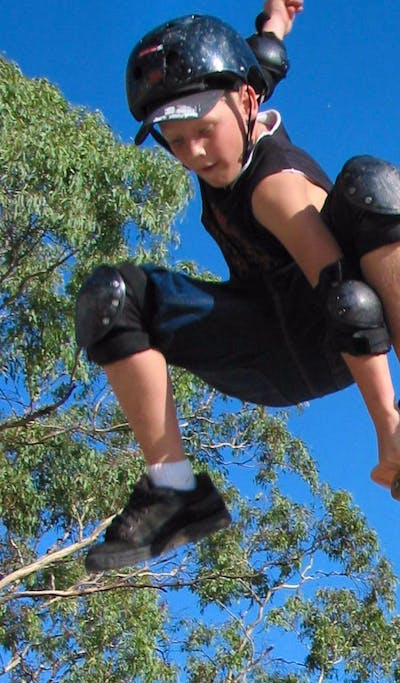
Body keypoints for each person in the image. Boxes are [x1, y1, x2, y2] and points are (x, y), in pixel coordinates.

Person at [76, 0, 400, 573]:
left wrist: (387, 427)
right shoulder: (239, 89)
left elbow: (347, 301)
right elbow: (263, 58)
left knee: (369, 185)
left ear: (247, 103)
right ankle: (173, 492)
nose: (195, 153)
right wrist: (277, 18)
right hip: (259, 346)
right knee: (113, 299)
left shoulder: (275, 188)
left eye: (203, 133)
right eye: (175, 142)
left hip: (337, 333)